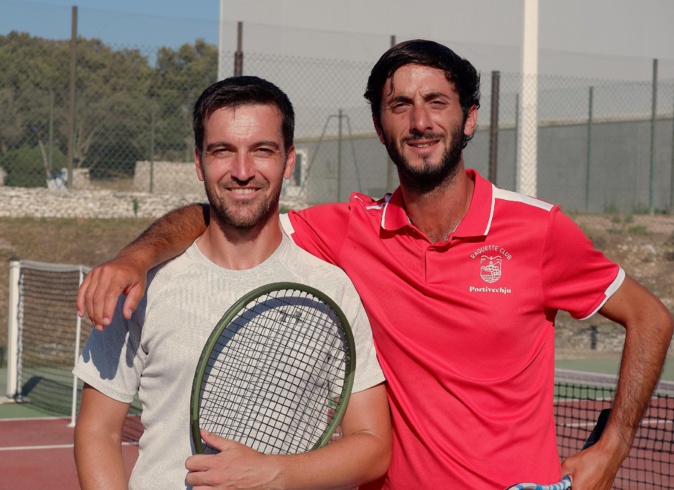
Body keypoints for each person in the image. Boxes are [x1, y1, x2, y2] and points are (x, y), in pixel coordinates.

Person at [77, 40, 673, 490]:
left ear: (468, 118)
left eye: (437, 102)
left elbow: (651, 317)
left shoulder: (538, 230)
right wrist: (138, 255)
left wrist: (614, 445)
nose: (419, 121)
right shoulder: (347, 232)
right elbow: (229, 209)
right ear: (380, 125)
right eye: (400, 105)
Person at [72, 76, 391, 490]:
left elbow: (372, 446)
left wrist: (273, 473)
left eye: (262, 150)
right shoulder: (140, 285)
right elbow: (99, 431)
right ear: (199, 162)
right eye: (223, 151)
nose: (243, 171)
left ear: (289, 162)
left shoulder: (331, 288)